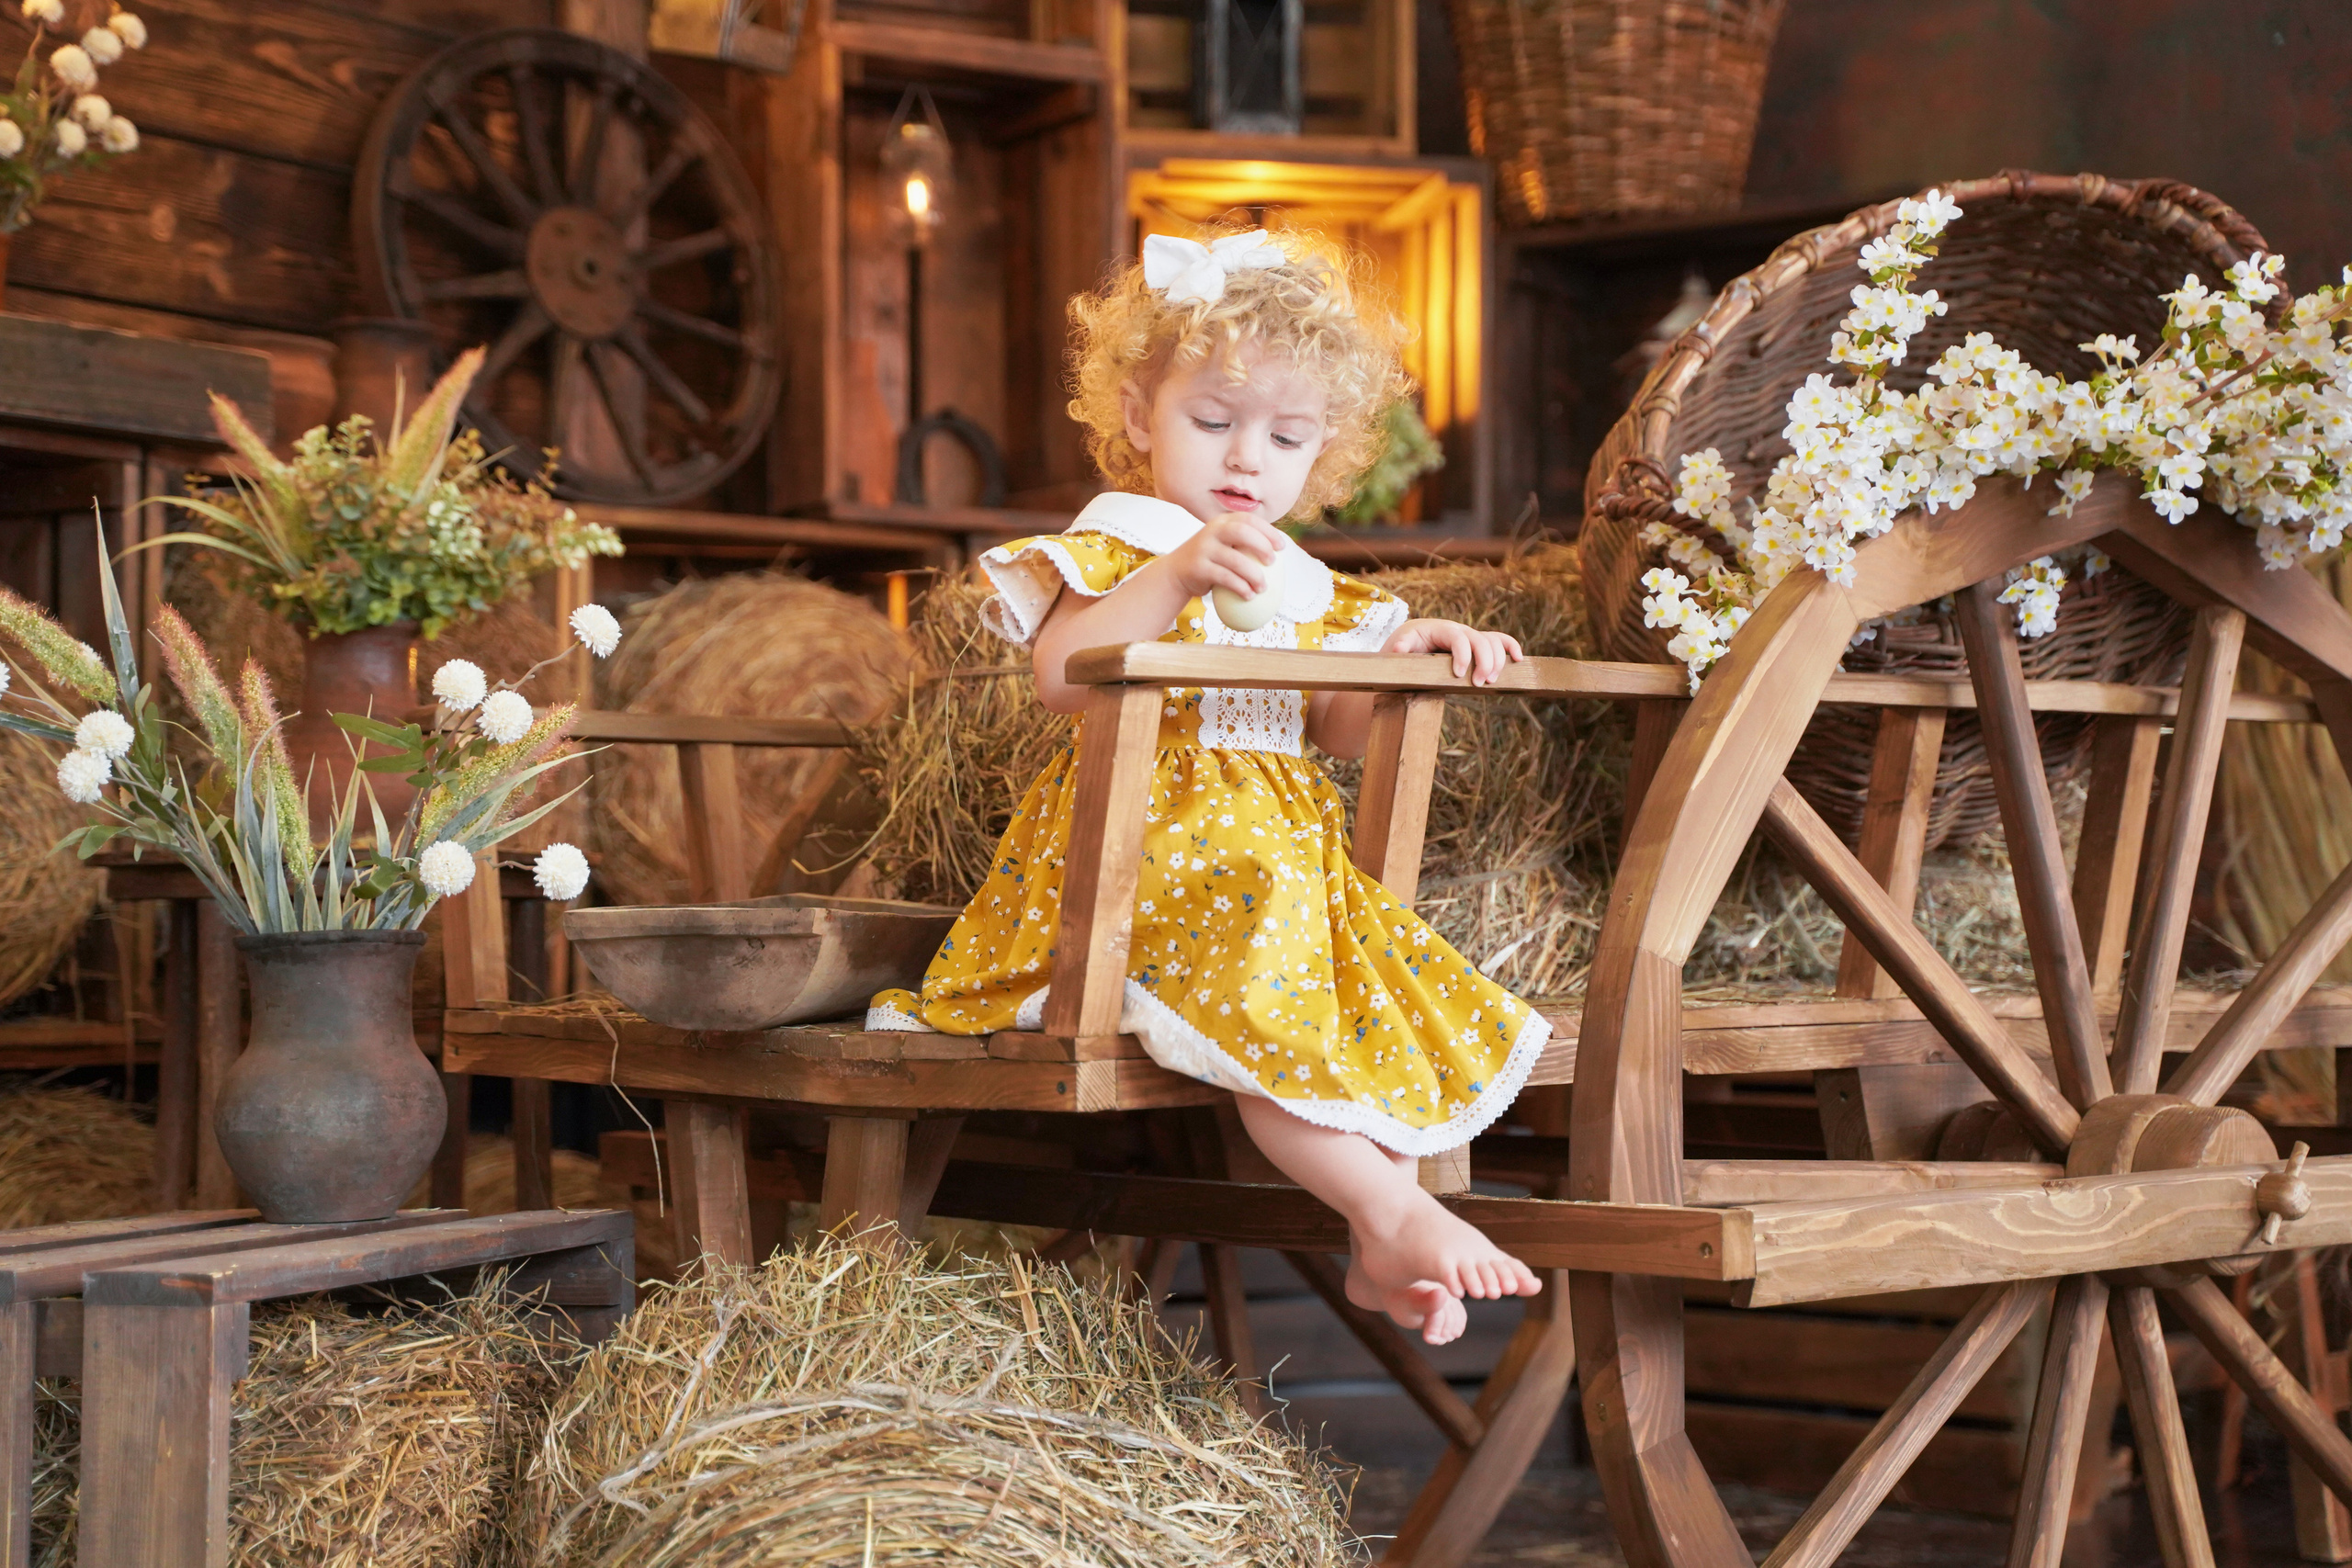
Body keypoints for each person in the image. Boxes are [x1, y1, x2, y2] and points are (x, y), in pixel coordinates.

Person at [868, 228, 1546, 1345]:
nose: (1246, 460)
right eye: (1212, 420)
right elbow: (1058, 676)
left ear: (1323, 449)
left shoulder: (1299, 576)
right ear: (1140, 416)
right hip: (1144, 853)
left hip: (1274, 852)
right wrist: (1175, 574)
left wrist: (1400, 656)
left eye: (1284, 437)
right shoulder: (1126, 537)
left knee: (1377, 981)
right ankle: (1389, 1208)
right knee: (1270, 963)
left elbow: (1332, 727)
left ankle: (1381, 1246)